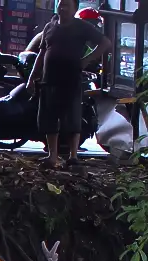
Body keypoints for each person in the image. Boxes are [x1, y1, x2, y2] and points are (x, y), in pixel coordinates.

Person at [26, 0, 103, 168]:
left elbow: (106, 43)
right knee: (49, 119)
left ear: (75, 8)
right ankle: (52, 156)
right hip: (49, 80)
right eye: (60, 4)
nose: (62, 8)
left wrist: (87, 60)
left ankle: (73, 157)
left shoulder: (82, 27)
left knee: (72, 119)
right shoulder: (49, 27)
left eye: (67, 5)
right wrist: (32, 77)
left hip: (71, 80)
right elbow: (41, 53)